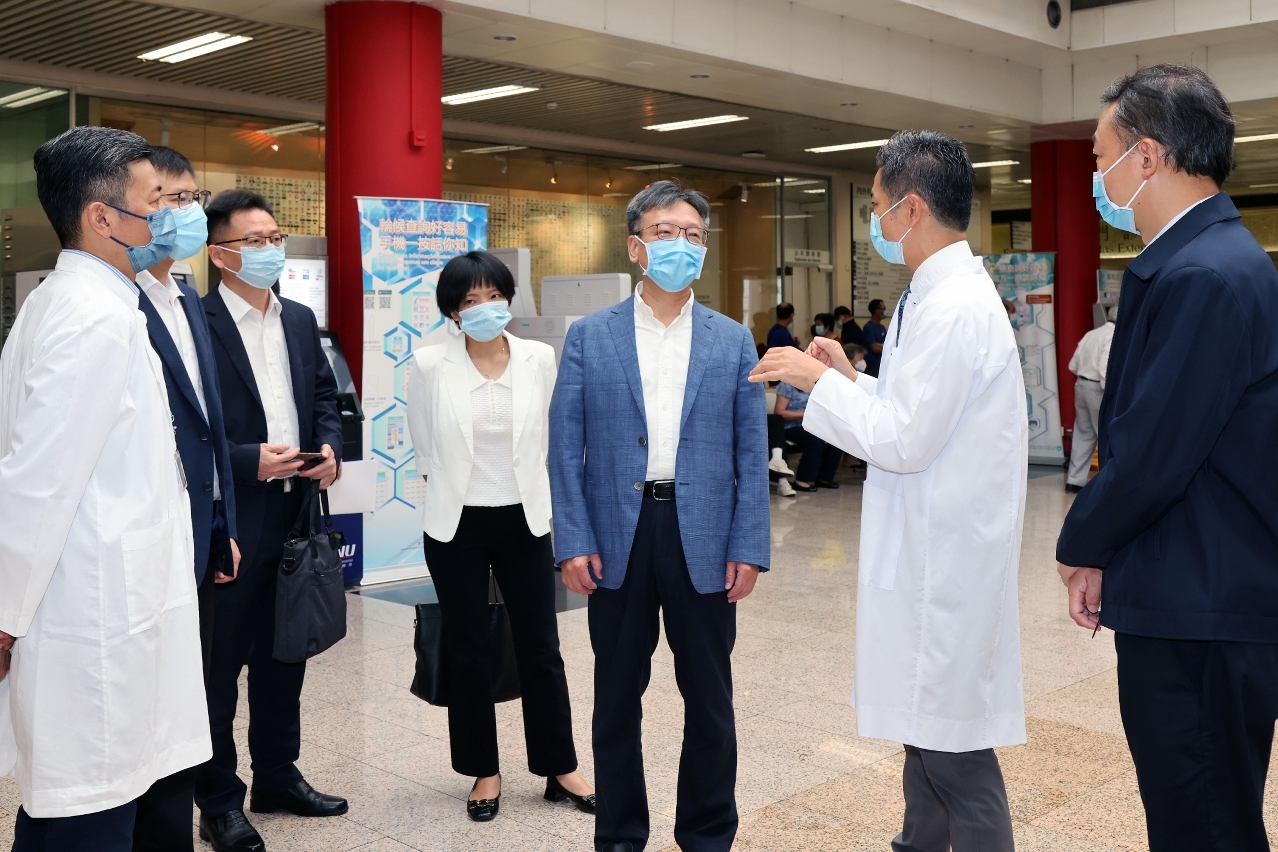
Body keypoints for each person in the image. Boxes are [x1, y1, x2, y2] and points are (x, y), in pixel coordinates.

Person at [752, 130, 1027, 852]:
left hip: (946, 566)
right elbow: (914, 410)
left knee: (952, 751)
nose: (873, 221)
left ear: (911, 209)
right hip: (929, 554)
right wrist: (848, 377)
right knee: (924, 735)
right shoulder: (932, 293)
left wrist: (816, 383)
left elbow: (905, 438)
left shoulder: (954, 305)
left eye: (876, 206)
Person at [1056, 65, 1278, 852]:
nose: (1097, 176)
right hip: (1192, 587)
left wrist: (1081, 542)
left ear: (1145, 156)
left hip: (1203, 608)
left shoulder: (1206, 275)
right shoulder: (1203, 261)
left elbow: (1154, 452)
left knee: (1204, 822)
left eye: (1100, 156)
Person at [0, 126, 210, 851]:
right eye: (158, 201)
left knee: (107, 796)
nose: (175, 216)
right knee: (87, 810)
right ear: (102, 217)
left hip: (117, 600)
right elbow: (39, 480)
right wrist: (4, 613)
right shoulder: (90, 316)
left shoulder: (91, 301)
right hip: (91, 615)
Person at [549, 180, 769, 852]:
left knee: (710, 699)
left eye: (693, 235)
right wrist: (572, 540)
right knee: (617, 698)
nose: (681, 245)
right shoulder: (590, 336)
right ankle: (619, 835)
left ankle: (707, 834)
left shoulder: (733, 340)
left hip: (705, 536)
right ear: (635, 246)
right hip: (618, 536)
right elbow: (564, 447)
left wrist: (749, 545)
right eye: (666, 233)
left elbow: (751, 452)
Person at [404, 251, 595, 822]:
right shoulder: (429, 363)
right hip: (456, 525)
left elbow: (554, 437)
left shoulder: (539, 357)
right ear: (453, 311)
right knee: (468, 648)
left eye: (494, 296)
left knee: (541, 645)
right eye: (470, 300)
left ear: (509, 299)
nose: (485, 307)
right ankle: (483, 771)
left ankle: (560, 766)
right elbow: (424, 448)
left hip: (524, 519)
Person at [196, 189, 345, 852]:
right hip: (231, 515)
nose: (270, 250)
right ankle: (219, 801)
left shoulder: (300, 318)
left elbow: (324, 396)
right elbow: (182, 429)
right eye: (253, 241)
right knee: (219, 668)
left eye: (275, 238)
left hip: (295, 509)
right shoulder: (195, 323)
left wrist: (330, 448)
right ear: (219, 254)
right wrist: (244, 461)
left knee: (287, 654)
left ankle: (278, 778)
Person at [131, 147, 242, 852]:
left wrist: (222, 521)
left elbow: (209, 422)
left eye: (192, 198)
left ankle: (179, 822)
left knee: (188, 692)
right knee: (143, 703)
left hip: (197, 536)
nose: (187, 213)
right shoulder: (118, 301)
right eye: (170, 199)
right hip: (144, 540)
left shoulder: (184, 297)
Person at [1063, 309, 1114, 493]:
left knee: (1083, 434)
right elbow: (1104, 367)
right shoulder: (1112, 335)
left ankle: (1074, 481)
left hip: (1081, 384)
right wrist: (1111, 391)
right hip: (1097, 389)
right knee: (1105, 434)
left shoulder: (1091, 334)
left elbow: (1073, 364)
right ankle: (1107, 483)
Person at [774, 380, 842, 492]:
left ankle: (824, 478)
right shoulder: (786, 386)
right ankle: (801, 481)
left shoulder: (814, 386)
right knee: (815, 440)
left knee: (836, 439)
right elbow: (779, 412)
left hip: (810, 426)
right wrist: (805, 413)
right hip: (789, 427)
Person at [862, 298, 888, 376]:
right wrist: (884, 346)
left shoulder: (882, 327)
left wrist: (882, 346)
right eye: (883, 309)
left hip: (882, 365)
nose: (885, 311)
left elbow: (888, 345)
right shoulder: (869, 327)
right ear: (876, 310)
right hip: (872, 367)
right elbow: (875, 348)